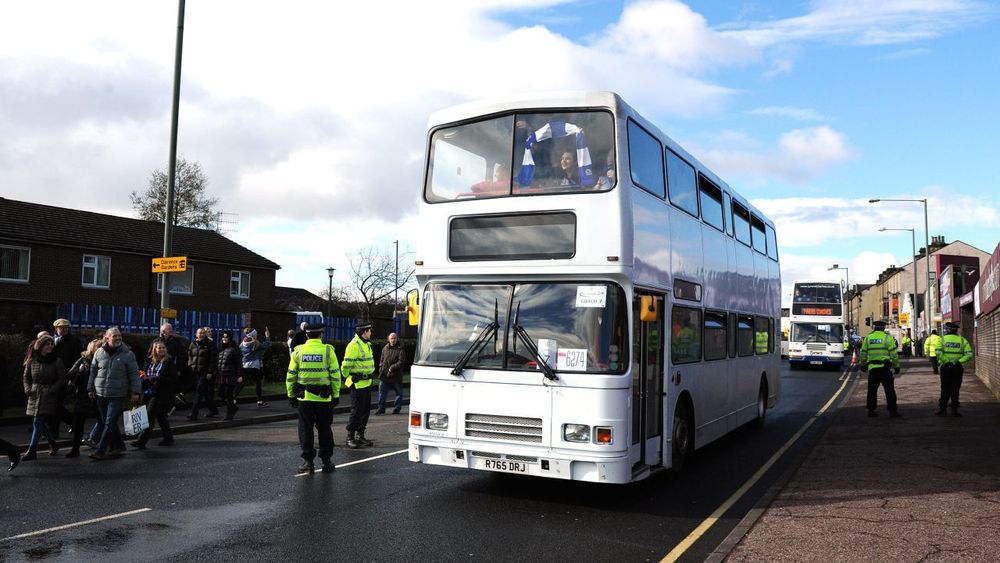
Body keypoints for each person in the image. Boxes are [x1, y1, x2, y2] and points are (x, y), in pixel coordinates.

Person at [286, 322, 340, 474]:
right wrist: (335, 395)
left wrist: (291, 395)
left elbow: (291, 376)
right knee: (325, 430)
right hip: (324, 399)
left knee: (305, 430)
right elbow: (335, 375)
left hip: (304, 399)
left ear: (306, 334)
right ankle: (326, 462)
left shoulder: (298, 351)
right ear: (321, 334)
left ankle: (308, 462)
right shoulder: (328, 351)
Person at [87, 327, 141, 460]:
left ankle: (101, 450)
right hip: (100, 393)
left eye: (119, 336)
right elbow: (93, 372)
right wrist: (90, 388)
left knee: (110, 422)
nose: (117, 338)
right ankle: (119, 446)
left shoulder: (128, 354)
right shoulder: (99, 352)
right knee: (108, 422)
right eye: (114, 336)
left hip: (117, 394)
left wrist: (135, 392)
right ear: (106, 338)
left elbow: (134, 375)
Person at [20, 334, 66, 461]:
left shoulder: (57, 361)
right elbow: (26, 377)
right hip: (34, 393)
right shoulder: (32, 360)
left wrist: (52, 390)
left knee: (38, 421)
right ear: (40, 346)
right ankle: (53, 444)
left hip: (48, 394)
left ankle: (32, 450)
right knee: (39, 423)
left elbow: (62, 379)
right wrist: (27, 389)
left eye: (51, 344)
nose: (50, 346)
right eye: (47, 344)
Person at [131, 340, 177, 448]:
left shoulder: (169, 362)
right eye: (159, 348)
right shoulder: (149, 361)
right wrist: (143, 377)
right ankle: (168, 437)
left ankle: (141, 441)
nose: (162, 350)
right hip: (148, 392)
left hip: (160, 394)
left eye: (163, 348)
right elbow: (145, 375)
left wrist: (156, 378)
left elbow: (172, 379)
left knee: (149, 416)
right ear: (154, 350)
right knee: (160, 416)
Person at [65, 338, 102, 457]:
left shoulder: (104, 360)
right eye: (99, 347)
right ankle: (75, 449)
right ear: (92, 349)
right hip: (83, 396)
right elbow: (70, 374)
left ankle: (111, 446)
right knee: (78, 424)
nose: (101, 350)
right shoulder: (83, 360)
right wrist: (79, 372)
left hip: (99, 395)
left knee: (104, 421)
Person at [343, 321, 376, 449]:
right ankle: (350, 437)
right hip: (357, 384)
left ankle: (360, 436)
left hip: (366, 383)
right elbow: (345, 366)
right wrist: (349, 376)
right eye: (369, 331)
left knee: (365, 411)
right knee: (356, 411)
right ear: (364, 332)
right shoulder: (354, 345)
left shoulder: (366, 344)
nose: (371, 333)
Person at [859, 319, 900, 418]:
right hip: (885, 369)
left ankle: (871, 410)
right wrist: (896, 366)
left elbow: (863, 353)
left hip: (873, 369)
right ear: (884, 327)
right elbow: (894, 354)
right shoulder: (888, 338)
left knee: (872, 391)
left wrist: (863, 365)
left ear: (874, 327)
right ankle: (892, 411)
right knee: (889, 391)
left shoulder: (868, 338)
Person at [934, 322, 974, 417]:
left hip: (945, 367)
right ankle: (954, 410)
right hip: (957, 368)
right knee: (955, 388)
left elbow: (938, 352)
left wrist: (946, 361)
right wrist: (959, 362)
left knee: (945, 388)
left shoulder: (942, 340)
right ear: (956, 330)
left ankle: (943, 409)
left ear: (947, 330)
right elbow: (969, 354)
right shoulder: (962, 340)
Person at [187, 327, 219, 421]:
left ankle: (194, 413)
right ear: (196, 334)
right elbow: (189, 355)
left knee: (199, 391)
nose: (201, 335)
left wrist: (210, 371)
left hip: (205, 372)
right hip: (195, 371)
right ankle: (213, 410)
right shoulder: (193, 344)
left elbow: (213, 359)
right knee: (204, 392)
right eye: (199, 333)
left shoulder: (210, 344)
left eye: (203, 333)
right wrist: (190, 364)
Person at [239, 327, 272, 407]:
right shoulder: (255, 343)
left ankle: (233, 398)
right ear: (253, 335)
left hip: (245, 365)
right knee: (258, 383)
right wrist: (267, 336)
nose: (257, 335)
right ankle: (259, 401)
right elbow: (267, 345)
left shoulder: (242, 343)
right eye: (256, 334)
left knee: (242, 383)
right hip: (254, 366)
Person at [376, 332, 406, 415]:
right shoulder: (385, 348)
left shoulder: (400, 349)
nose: (393, 340)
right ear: (388, 339)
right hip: (384, 375)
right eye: (391, 338)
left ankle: (397, 408)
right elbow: (381, 359)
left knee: (399, 393)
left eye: (394, 338)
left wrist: (392, 368)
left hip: (396, 376)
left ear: (397, 339)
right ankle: (381, 408)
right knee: (382, 393)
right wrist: (381, 368)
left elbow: (401, 361)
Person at [216, 331, 244, 420]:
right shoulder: (220, 347)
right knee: (220, 392)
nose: (224, 339)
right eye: (223, 337)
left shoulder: (235, 349)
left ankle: (229, 414)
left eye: (226, 337)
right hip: (221, 374)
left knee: (229, 394)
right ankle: (233, 407)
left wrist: (239, 375)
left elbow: (239, 362)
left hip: (230, 374)